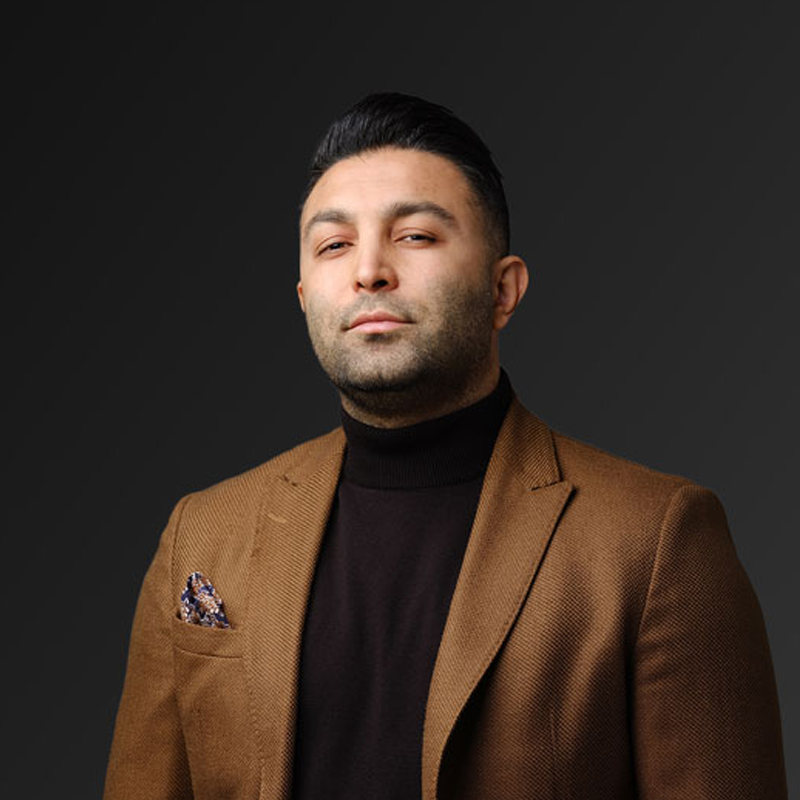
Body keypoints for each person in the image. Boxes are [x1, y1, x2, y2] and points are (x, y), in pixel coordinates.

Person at [103, 93, 787, 800]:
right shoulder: (202, 534)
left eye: (415, 236)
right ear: (305, 297)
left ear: (503, 290)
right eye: (335, 245)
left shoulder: (655, 539)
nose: (369, 270)